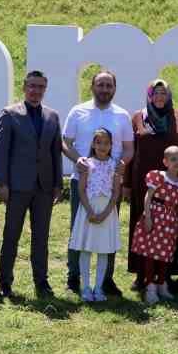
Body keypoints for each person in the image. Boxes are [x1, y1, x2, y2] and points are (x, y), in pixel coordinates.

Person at [61, 71, 135, 296]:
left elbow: (129, 148)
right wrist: (77, 159)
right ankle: (74, 278)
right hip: (82, 183)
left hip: (110, 184)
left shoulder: (122, 115)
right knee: (79, 228)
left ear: (114, 88)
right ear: (92, 87)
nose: (104, 89)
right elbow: (65, 142)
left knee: (107, 229)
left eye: (109, 85)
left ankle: (106, 280)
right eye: (100, 85)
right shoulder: (78, 111)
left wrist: (122, 164)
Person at [0, 70, 64, 298]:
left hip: (44, 187)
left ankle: (41, 283)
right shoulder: (9, 114)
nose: (36, 91)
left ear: (45, 89)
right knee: (11, 234)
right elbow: (2, 152)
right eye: (32, 86)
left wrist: (57, 184)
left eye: (40, 87)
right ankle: (5, 282)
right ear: (24, 87)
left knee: (41, 237)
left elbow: (56, 152)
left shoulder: (53, 116)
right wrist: (2, 183)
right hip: (17, 186)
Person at [128, 79, 178, 290]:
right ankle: (141, 274)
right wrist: (127, 182)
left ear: (170, 95)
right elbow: (131, 150)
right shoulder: (138, 117)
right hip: (143, 180)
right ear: (149, 95)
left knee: (168, 228)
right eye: (155, 93)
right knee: (143, 225)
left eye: (164, 92)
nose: (160, 97)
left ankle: (166, 275)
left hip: (172, 182)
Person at [69, 128, 122, 303]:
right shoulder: (87, 164)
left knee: (103, 250)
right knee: (86, 248)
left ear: (111, 145)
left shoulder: (114, 164)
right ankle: (85, 287)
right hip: (88, 209)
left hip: (107, 210)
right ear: (93, 143)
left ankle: (98, 287)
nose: (102, 146)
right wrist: (90, 211)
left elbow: (116, 192)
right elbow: (81, 189)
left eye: (106, 143)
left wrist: (106, 212)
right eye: (98, 142)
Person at [130, 146, 178, 303]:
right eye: (173, 159)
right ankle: (150, 287)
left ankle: (162, 283)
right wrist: (148, 217)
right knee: (150, 255)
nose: (177, 162)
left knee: (165, 256)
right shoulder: (158, 177)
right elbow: (148, 198)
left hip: (170, 223)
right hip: (155, 219)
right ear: (165, 161)